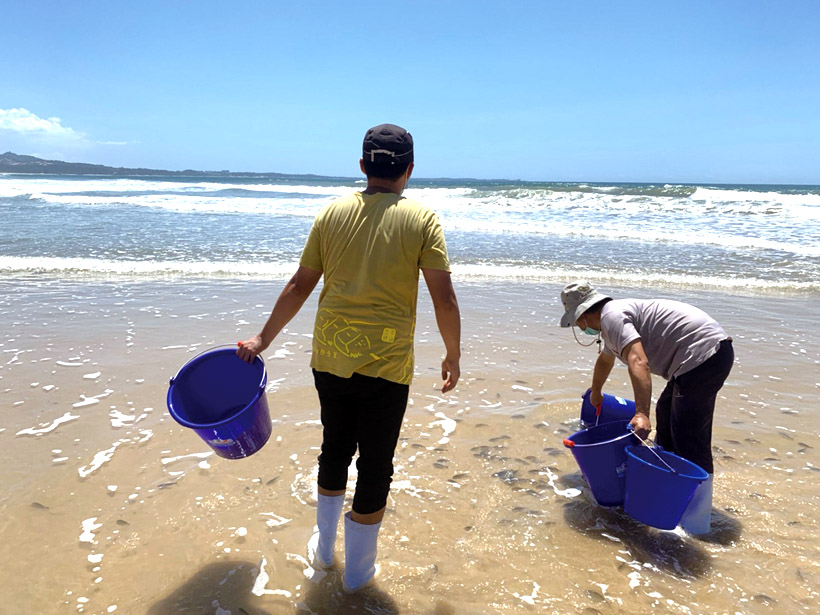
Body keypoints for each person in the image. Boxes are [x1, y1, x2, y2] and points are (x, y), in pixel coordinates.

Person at [238, 124, 461, 590]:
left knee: (335, 449)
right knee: (376, 465)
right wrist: (452, 354)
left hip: (330, 358)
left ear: (363, 166)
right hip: (387, 365)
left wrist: (262, 339)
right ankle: (358, 578)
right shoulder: (422, 220)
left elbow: (300, 285)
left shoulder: (331, 214)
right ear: (410, 170)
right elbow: (444, 299)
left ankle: (323, 555)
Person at [559, 281, 733, 534]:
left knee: (689, 437)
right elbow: (605, 360)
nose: (579, 328)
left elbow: (638, 361)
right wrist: (596, 393)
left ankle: (696, 522)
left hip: (704, 354)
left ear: (582, 316)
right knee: (666, 417)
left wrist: (641, 414)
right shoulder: (612, 320)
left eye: (576, 323)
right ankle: (671, 495)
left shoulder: (613, 318)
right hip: (697, 358)